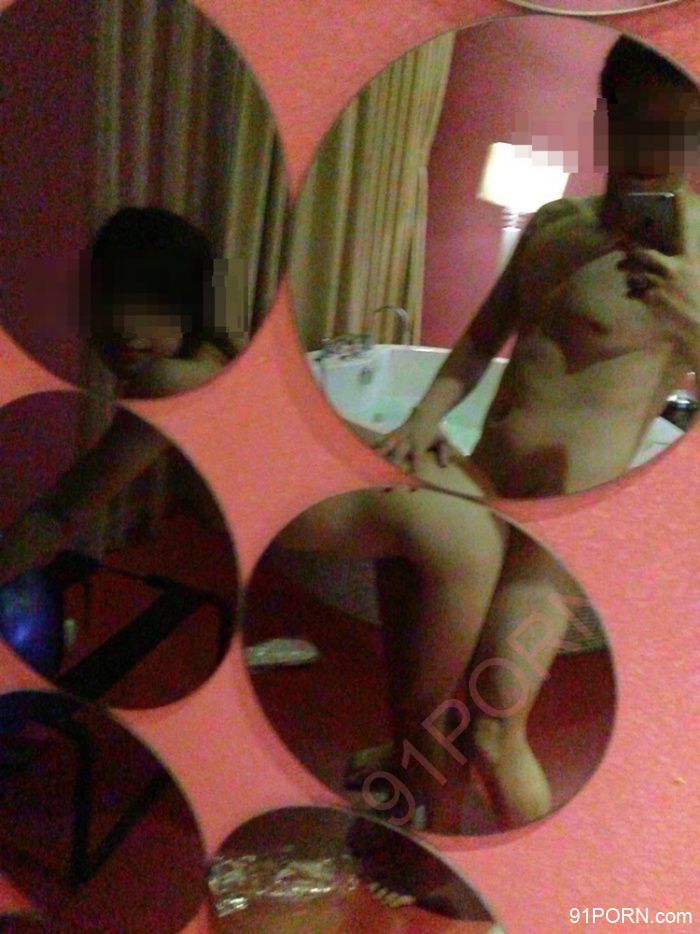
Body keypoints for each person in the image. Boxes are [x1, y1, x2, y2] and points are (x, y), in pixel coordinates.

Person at [279, 36, 700, 832]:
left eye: (683, 131)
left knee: (496, 729)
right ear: (607, 116)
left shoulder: (698, 262)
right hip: (478, 481)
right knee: (420, 693)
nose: (658, 149)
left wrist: (693, 319)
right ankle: (413, 808)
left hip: (563, 530)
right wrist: (420, 421)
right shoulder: (556, 224)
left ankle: (529, 885)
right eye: (640, 121)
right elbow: (480, 340)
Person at [0, 207, 238, 589]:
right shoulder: (216, 354)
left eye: (155, 305)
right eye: (114, 299)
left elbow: (60, 512)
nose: (128, 326)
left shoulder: (169, 382)